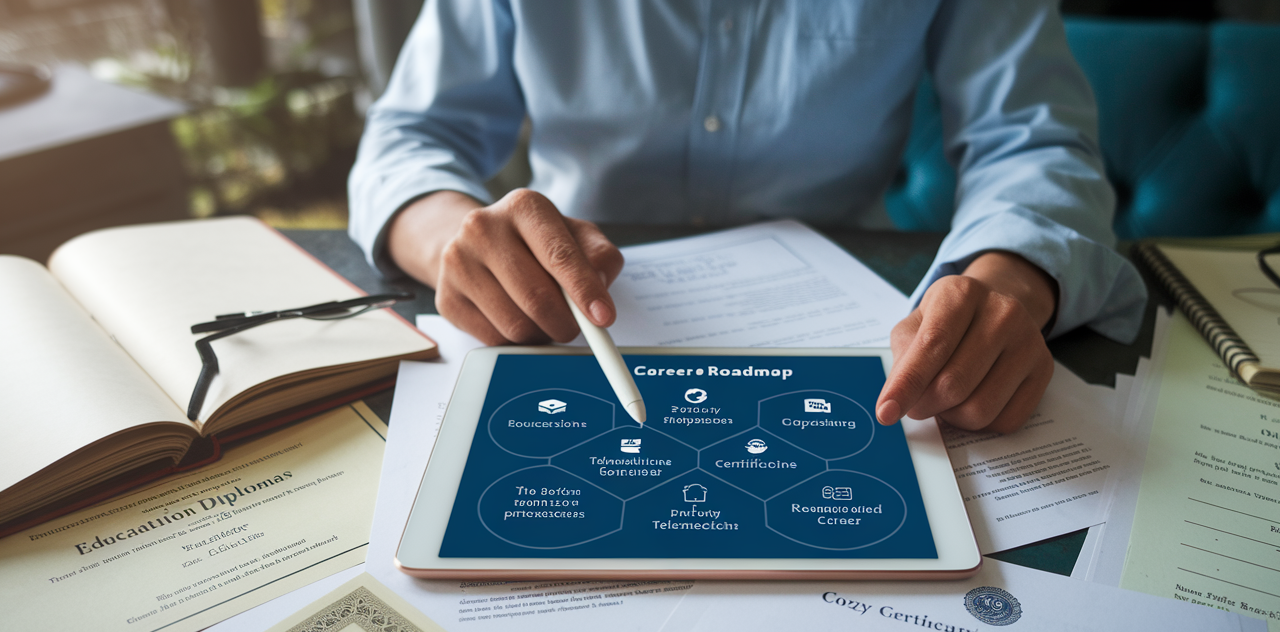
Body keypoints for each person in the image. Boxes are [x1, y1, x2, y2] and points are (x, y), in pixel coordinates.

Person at [348, 1, 1146, 433]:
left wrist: (1012, 276)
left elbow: (1033, 137)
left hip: (848, 321)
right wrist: (452, 233)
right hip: (566, 315)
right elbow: (412, 136)